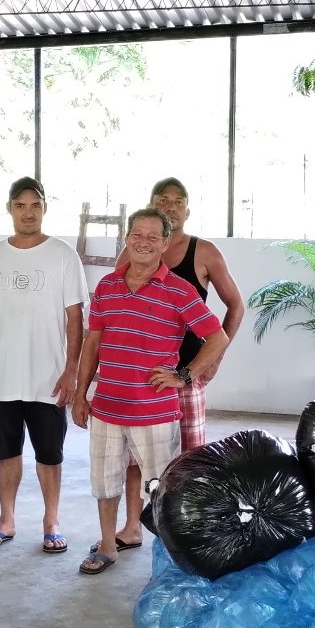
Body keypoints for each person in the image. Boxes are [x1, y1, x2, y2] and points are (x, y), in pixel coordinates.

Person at [73, 208, 229, 575]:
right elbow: (92, 343)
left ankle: (165, 561)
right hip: (107, 407)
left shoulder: (179, 290)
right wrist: (81, 394)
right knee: (105, 482)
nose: (143, 242)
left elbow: (216, 337)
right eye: (137, 235)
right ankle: (108, 546)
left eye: (152, 236)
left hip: (154, 412)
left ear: (164, 243)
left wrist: (185, 375)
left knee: (162, 488)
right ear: (127, 238)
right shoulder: (107, 287)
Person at [103, 177, 244, 553]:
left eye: (177, 201)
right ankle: (132, 526)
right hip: (140, 380)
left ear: (187, 210)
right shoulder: (133, 253)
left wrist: (207, 362)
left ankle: (183, 533)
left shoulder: (205, 252)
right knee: (135, 458)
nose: (169, 206)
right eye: (161, 199)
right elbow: (112, 310)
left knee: (188, 458)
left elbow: (235, 305)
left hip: (183, 376)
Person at [0, 176, 88, 554]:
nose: (27, 212)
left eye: (34, 205)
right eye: (20, 205)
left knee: (49, 454)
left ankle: (51, 521)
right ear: (9, 208)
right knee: (6, 453)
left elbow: (75, 317)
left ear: (44, 209)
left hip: (48, 377)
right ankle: (6, 519)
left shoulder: (62, 255)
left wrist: (71, 370)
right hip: (3, 376)